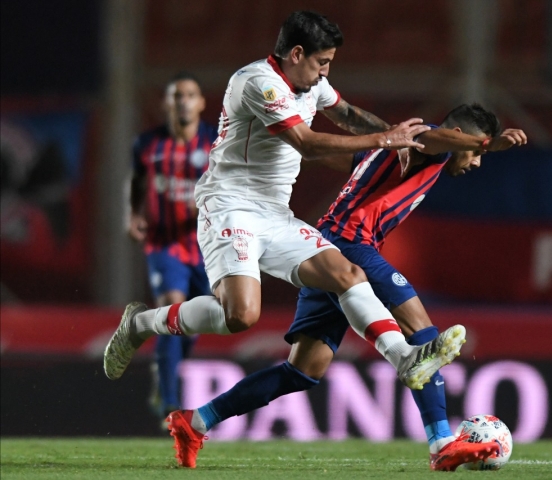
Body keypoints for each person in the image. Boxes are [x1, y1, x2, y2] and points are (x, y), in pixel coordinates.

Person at [104, 8, 466, 446]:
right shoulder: (257, 82)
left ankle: (405, 359)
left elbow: (346, 113)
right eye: (322, 62)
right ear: (296, 54)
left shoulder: (312, 82)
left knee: (346, 274)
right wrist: (381, 142)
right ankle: (142, 323)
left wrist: (395, 133)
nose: (326, 71)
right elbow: (306, 143)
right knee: (240, 316)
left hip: (274, 213)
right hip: (229, 207)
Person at [165, 104, 528, 470]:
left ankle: (195, 421)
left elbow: (344, 157)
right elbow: (434, 139)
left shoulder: (398, 147)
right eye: (477, 153)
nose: (477, 162)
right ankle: (441, 443)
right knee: (423, 334)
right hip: (352, 243)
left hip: (326, 247)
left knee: (302, 371)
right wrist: (490, 142)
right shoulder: (423, 141)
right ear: (462, 137)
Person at [127, 72, 216, 422]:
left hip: (207, 245)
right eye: (176, 95)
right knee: (171, 309)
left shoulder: (214, 141)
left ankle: (165, 371)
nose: (183, 101)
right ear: (167, 102)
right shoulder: (148, 143)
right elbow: (135, 182)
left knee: (196, 322)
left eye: (190, 94)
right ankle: (168, 402)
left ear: (201, 102)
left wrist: (209, 201)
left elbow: (233, 181)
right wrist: (133, 214)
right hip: (164, 243)